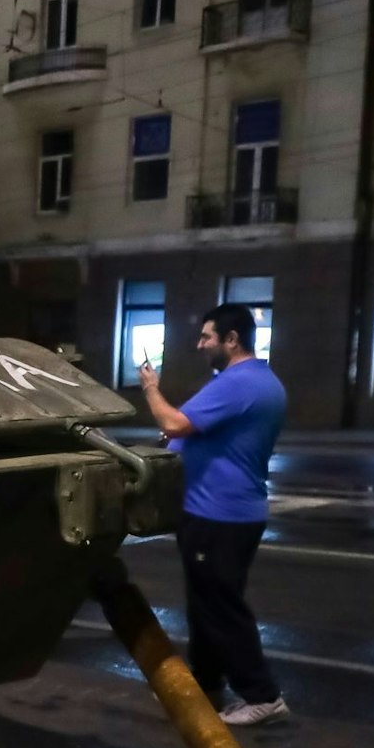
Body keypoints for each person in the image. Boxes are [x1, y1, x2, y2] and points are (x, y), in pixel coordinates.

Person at [138, 303, 289, 726]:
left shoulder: (239, 383)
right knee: (206, 603)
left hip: (219, 514)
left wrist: (151, 387)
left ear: (231, 339)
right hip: (228, 511)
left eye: (207, 337)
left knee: (220, 607)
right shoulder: (259, 380)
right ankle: (205, 684)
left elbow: (175, 422)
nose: (200, 344)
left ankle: (262, 694)